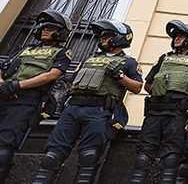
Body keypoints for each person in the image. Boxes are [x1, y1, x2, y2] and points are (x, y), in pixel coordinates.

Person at [32, 19, 143, 184]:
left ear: (120, 37)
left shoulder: (129, 62)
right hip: (73, 109)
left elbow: (137, 87)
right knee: (52, 155)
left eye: (107, 35)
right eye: (102, 36)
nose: (102, 38)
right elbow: (71, 82)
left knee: (89, 157)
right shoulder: (89, 58)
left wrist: (120, 76)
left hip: (98, 111)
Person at [0, 10, 73, 184]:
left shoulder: (61, 53)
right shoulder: (25, 49)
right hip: (3, 94)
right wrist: (2, 84)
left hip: (25, 100)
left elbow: (52, 75)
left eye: (50, 28)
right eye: (43, 27)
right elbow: (2, 66)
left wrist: (16, 86)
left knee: (3, 149)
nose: (45, 30)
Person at [130, 20, 188, 184]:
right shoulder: (164, 58)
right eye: (175, 36)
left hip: (177, 114)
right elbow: (148, 84)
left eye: (181, 36)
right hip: (154, 111)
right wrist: (159, 88)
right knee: (143, 156)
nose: (176, 39)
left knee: (171, 157)